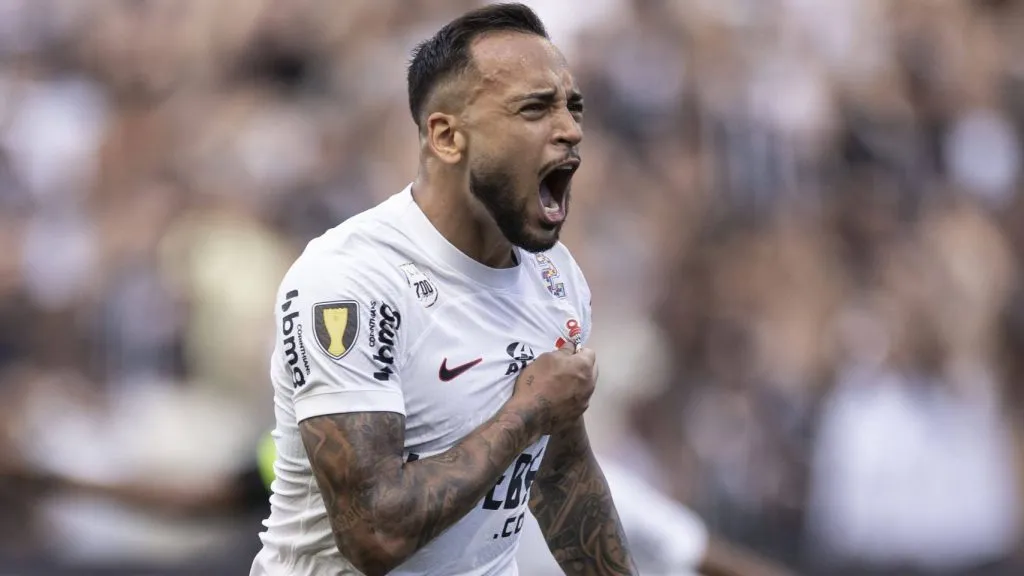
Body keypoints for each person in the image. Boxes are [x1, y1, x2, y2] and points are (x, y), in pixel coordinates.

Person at [249, 4, 636, 576]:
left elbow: (562, 479)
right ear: (448, 137)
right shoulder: (351, 281)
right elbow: (375, 535)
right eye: (535, 108)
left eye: (572, 107)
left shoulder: (555, 280)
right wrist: (527, 411)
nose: (571, 129)